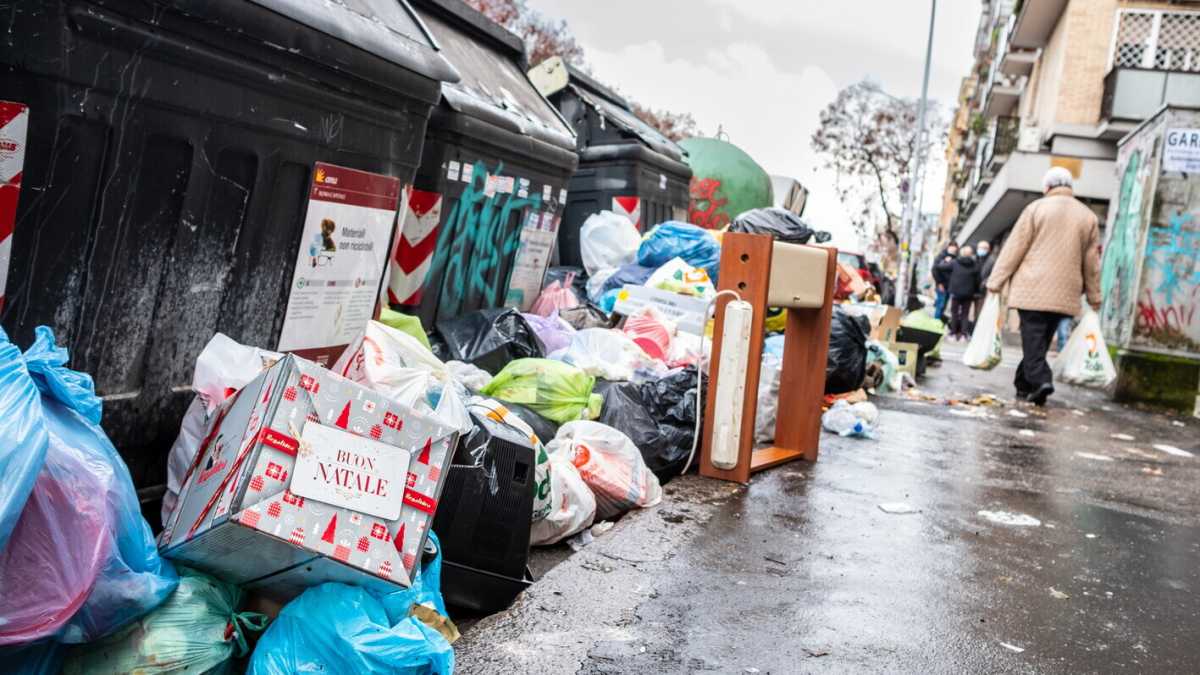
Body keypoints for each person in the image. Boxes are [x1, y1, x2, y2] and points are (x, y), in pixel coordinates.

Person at [985, 167, 1101, 406]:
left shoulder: (1035, 209)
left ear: (1047, 187)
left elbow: (1014, 248)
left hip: (1032, 288)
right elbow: (1092, 263)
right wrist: (1094, 296)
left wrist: (995, 281)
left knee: (1033, 339)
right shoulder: (1088, 217)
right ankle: (1023, 384)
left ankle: (1041, 380)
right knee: (1039, 341)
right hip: (1066, 293)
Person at [947, 245, 981, 339]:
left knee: (954, 313)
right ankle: (963, 334)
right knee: (965, 314)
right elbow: (978, 280)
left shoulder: (955, 262)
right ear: (971, 254)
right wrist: (976, 291)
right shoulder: (975, 265)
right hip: (968, 293)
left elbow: (941, 268)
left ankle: (953, 333)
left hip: (955, 292)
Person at [932, 243, 958, 321]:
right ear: (948, 247)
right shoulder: (941, 256)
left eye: (955, 248)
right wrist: (940, 283)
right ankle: (936, 321)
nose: (953, 250)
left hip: (950, 285)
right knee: (941, 304)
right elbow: (934, 270)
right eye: (952, 248)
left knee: (944, 304)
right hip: (942, 284)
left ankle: (939, 319)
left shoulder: (956, 258)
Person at [973, 240, 997, 322]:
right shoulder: (973, 258)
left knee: (979, 311)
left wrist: (985, 283)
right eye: (979, 248)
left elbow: (993, 274)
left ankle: (976, 325)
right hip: (971, 289)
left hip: (982, 289)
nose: (981, 250)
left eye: (983, 248)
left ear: (988, 249)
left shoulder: (992, 260)